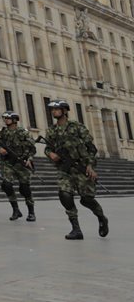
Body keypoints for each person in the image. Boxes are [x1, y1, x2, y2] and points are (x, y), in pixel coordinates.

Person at [43, 99, 108, 240]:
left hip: (81, 167)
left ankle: (101, 217)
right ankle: (76, 229)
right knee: (64, 194)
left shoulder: (77, 127)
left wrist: (90, 165)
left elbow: (91, 148)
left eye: (56, 109)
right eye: (52, 109)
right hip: (64, 169)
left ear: (64, 111)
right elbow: (48, 147)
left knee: (86, 200)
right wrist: (50, 153)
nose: (53, 111)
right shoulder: (51, 131)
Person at [0, 111, 36, 222]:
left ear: (14, 120)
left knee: (25, 188)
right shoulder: (2, 133)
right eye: (5, 118)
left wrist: (29, 159)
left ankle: (31, 212)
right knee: (6, 185)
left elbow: (32, 148)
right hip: (8, 163)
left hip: (22, 163)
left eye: (8, 118)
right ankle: (16, 210)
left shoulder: (23, 132)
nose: (6, 120)